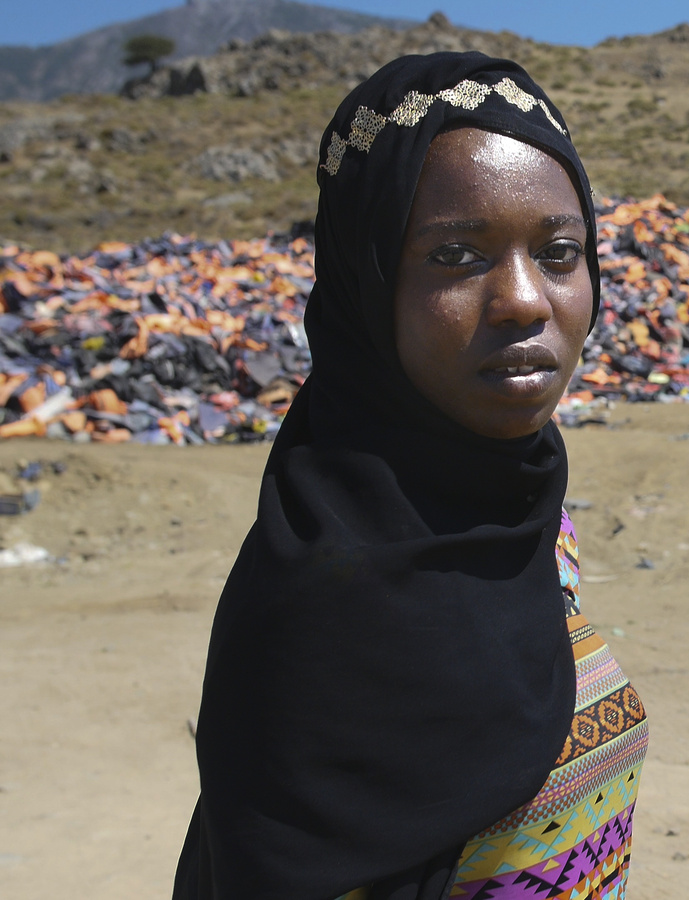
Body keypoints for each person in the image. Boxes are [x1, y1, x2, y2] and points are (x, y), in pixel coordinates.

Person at [173, 52, 647, 900]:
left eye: (560, 251)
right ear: (367, 280)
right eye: (457, 256)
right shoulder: (325, 611)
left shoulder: (528, 521)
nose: (524, 300)